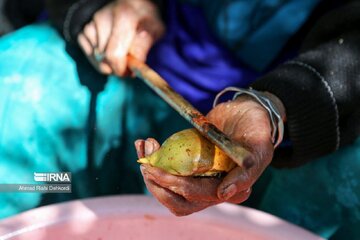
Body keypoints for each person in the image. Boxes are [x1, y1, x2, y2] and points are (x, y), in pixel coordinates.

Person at [0, 0, 359, 238]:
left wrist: (276, 106)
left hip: (290, 138)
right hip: (126, 70)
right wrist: (98, 6)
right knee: (14, 99)